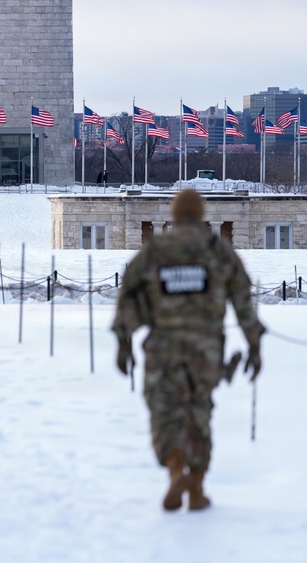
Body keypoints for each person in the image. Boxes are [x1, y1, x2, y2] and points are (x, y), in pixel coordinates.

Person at [112, 189, 264, 511]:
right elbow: (243, 302)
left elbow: (128, 297)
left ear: (174, 214)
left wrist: (123, 342)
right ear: (201, 214)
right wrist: (254, 345)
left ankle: (174, 471)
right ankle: (196, 488)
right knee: (199, 414)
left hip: (163, 347)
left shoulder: (154, 251)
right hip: (206, 349)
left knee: (164, 412)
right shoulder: (219, 251)